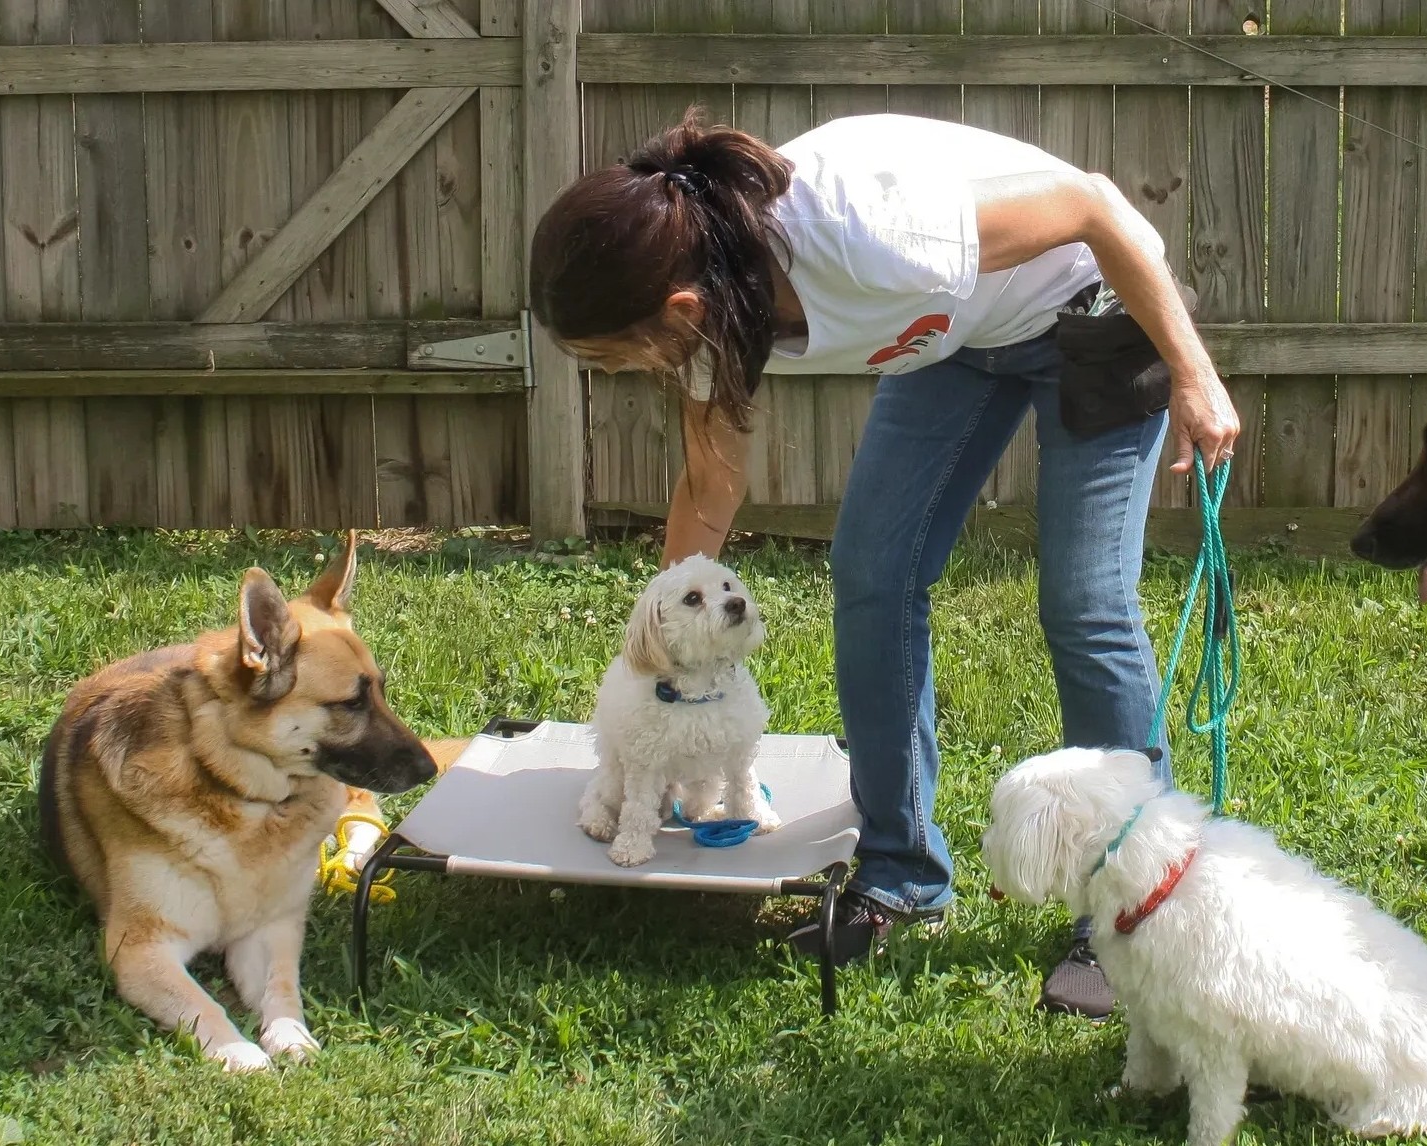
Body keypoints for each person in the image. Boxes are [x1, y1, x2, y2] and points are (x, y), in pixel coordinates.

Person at [527, 111, 1239, 1018]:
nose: (625, 372)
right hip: (958, 342)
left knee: (1084, 602)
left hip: (1093, 309)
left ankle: (1132, 910)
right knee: (872, 574)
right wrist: (664, 646)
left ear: (678, 311)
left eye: (617, 357)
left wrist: (1194, 370)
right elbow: (710, 486)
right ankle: (902, 874)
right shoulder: (715, 307)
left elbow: (1098, 208)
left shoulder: (874, 231)